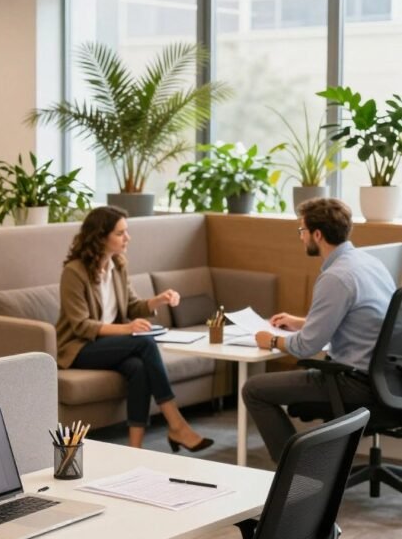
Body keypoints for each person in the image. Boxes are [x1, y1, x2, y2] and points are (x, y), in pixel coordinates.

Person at [243, 197, 396, 463]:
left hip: (353, 381)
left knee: (253, 389)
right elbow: (363, 319)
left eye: (301, 231)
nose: (301, 238)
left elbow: (306, 347)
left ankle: (294, 472)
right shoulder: (369, 263)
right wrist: (302, 322)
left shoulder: (336, 276)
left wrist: (271, 341)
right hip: (389, 379)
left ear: (317, 234)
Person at [56, 206, 213, 451]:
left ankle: (135, 448)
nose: (127, 238)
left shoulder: (117, 266)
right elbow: (80, 325)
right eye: (120, 233)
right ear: (100, 236)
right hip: (78, 348)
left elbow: (131, 305)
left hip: (106, 345)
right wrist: (128, 329)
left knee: (138, 368)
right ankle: (176, 423)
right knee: (145, 342)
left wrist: (158, 300)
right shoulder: (74, 272)